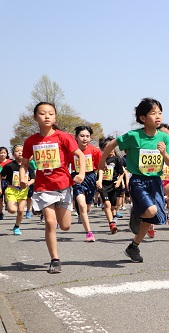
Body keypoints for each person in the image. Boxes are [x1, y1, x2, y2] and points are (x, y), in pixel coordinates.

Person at [99, 98, 169, 262]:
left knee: (152, 217)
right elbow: (112, 144)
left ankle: (133, 247)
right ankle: (136, 212)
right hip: (138, 181)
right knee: (150, 211)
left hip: (155, 181)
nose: (158, 116)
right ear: (143, 118)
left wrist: (163, 153)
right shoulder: (134, 136)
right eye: (153, 113)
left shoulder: (164, 138)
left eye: (160, 113)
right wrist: (101, 161)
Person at [19, 102, 86, 273]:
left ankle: (54, 215)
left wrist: (81, 173)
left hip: (63, 186)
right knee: (50, 222)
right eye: (42, 113)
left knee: (65, 226)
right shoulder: (31, 141)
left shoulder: (63, 137)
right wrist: (22, 177)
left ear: (55, 117)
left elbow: (80, 155)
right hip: (43, 187)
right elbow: (24, 164)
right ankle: (55, 259)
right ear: (35, 117)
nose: (47, 116)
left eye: (50, 113)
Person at [70, 125, 102, 242]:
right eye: (82, 136)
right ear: (76, 137)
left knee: (88, 207)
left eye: (87, 136)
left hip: (91, 177)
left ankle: (82, 214)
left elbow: (101, 167)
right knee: (82, 205)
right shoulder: (72, 151)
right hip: (77, 178)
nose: (85, 138)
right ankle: (89, 232)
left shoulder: (95, 150)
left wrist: (100, 179)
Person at [0, 145, 35, 235]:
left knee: (20, 210)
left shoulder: (29, 166)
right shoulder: (9, 166)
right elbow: (1, 176)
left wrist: (28, 183)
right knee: (12, 210)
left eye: (22, 151)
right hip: (11, 190)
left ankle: (16, 226)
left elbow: (33, 178)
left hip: (23, 191)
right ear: (13, 154)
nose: (20, 152)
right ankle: (10, 206)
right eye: (17, 151)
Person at [97, 136, 125, 234]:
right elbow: (100, 170)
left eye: (110, 145)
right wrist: (99, 181)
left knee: (113, 206)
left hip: (113, 185)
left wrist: (119, 181)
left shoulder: (117, 160)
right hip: (103, 185)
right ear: (103, 149)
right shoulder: (101, 159)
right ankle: (111, 224)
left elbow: (122, 172)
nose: (108, 148)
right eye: (106, 146)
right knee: (107, 204)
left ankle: (113, 218)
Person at [0, 146, 12, 220]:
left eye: (4, 153)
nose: (2, 154)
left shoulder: (10, 162)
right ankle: (0, 213)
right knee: (0, 199)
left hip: (8, 181)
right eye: (1, 153)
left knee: (8, 195)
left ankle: (8, 204)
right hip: (0, 181)